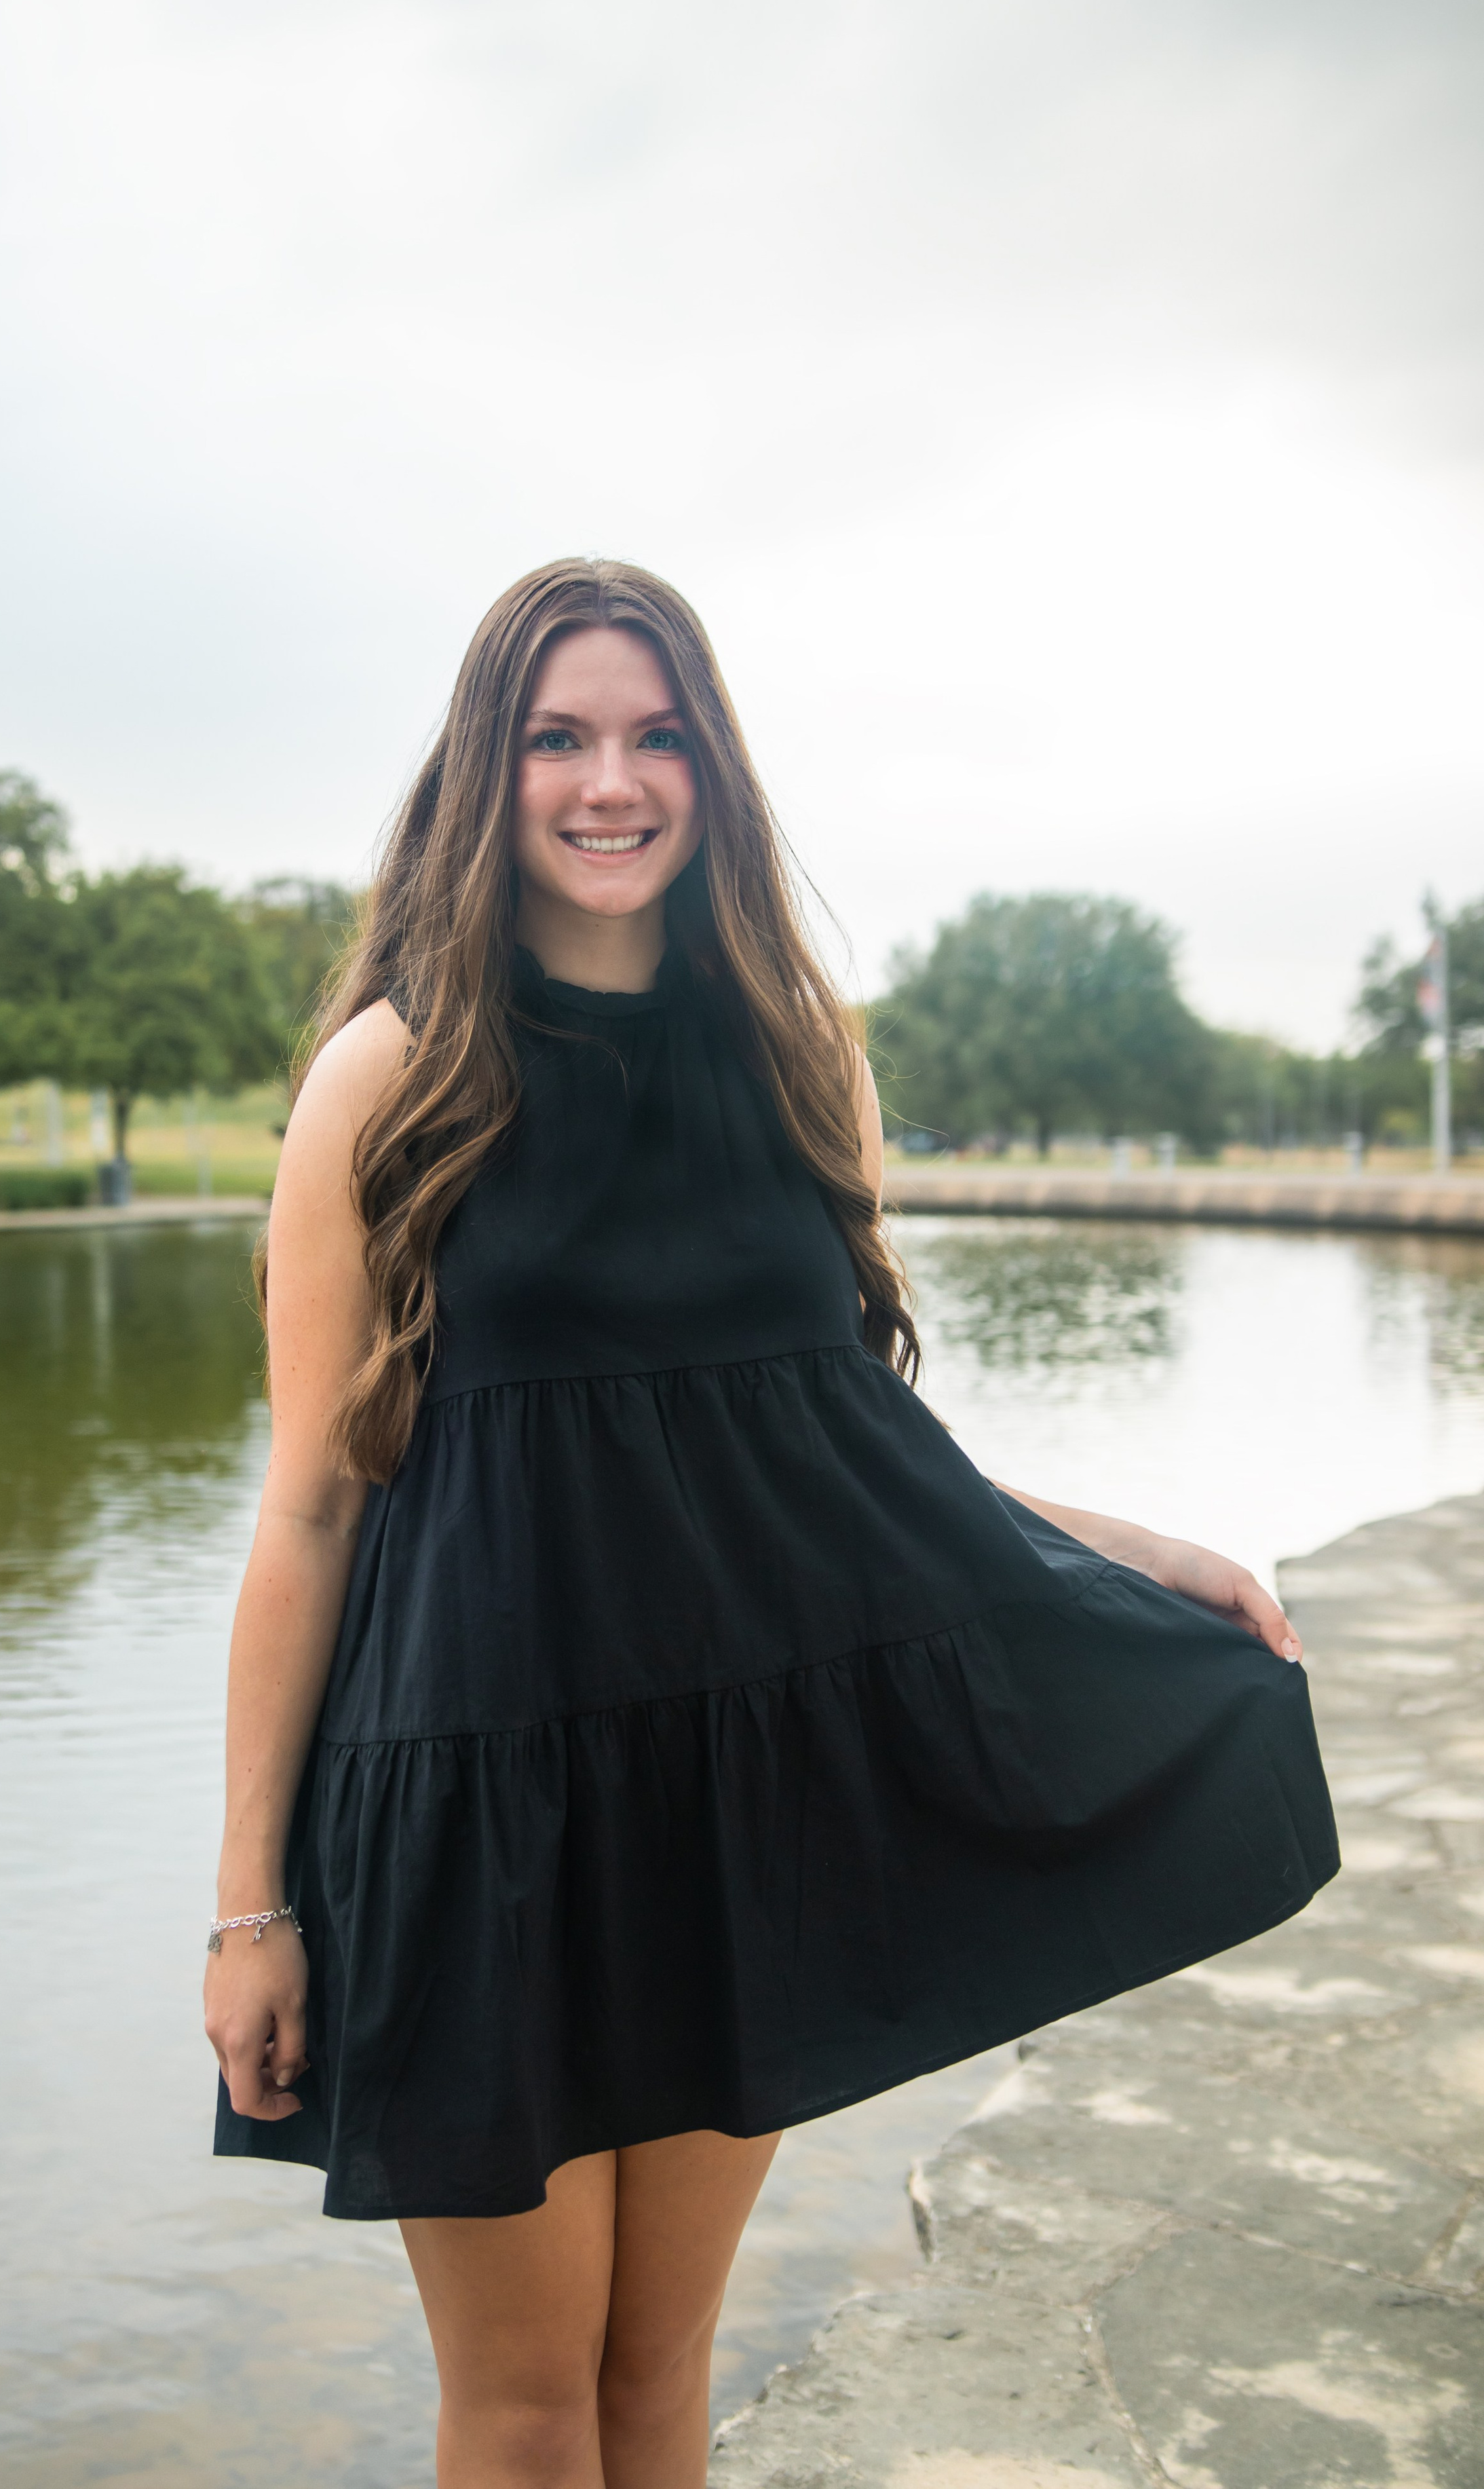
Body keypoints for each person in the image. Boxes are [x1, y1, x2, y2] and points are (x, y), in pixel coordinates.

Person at [206, 559, 1336, 2488]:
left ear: (712, 771)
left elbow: (838, 1446)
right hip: (476, 1814)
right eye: (558, 735)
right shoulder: (392, 1074)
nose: (608, 779)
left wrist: (1133, 1552)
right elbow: (310, 1502)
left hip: (724, 1802)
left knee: (663, 2377)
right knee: (523, 2403)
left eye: (655, 736)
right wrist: (250, 1902)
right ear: (489, 770)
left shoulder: (796, 1058)